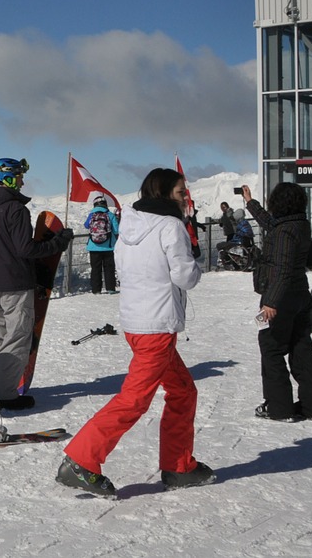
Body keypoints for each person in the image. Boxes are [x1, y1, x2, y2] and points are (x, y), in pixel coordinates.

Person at [55, 167, 215, 497]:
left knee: (183, 391)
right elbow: (186, 277)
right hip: (157, 327)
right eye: (181, 193)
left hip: (136, 322)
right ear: (164, 194)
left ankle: (178, 466)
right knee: (135, 399)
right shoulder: (171, 227)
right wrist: (193, 262)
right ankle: (80, 459)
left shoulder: (130, 223)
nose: (186, 198)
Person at [0, 157, 73, 410]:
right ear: (8, 178)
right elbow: (25, 248)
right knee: (16, 337)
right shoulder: (15, 209)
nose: (22, 181)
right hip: (14, 282)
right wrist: (58, 243)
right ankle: (4, 395)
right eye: (18, 176)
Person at [243, 183, 312, 422]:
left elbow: (281, 269)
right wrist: (251, 203)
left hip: (281, 298)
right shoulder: (297, 225)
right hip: (301, 295)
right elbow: (271, 225)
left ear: (278, 203)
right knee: (301, 348)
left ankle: (279, 408)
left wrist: (270, 301)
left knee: (271, 348)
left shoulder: (283, 232)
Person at [84, 197, 119, 294]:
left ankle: (96, 290)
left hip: (93, 246)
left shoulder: (92, 215)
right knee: (109, 268)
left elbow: (86, 225)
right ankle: (111, 288)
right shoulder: (110, 215)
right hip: (108, 246)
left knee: (95, 269)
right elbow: (116, 230)